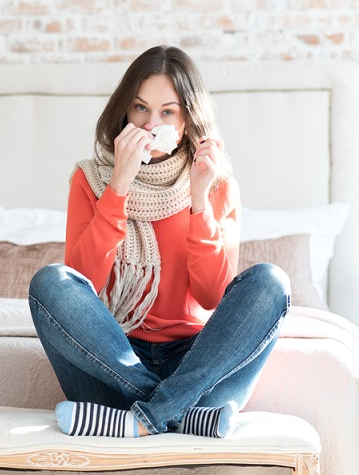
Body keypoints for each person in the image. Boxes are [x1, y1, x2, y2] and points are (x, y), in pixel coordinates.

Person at [28, 45, 290, 439]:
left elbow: (212, 296)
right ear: (124, 113)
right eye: (140, 108)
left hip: (196, 362)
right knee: (50, 282)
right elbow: (83, 282)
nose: (151, 124)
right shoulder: (91, 179)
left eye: (167, 112)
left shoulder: (216, 184)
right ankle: (181, 416)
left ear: (187, 120)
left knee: (271, 283)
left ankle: (140, 421)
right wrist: (117, 186)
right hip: (112, 361)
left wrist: (199, 202)